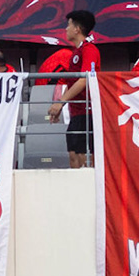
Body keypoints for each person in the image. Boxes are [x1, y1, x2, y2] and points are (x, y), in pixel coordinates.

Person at [43, 9, 101, 169]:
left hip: (87, 111)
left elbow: (85, 80)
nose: (66, 29)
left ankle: (89, 192)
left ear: (77, 29)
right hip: (77, 111)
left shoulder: (89, 50)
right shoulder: (77, 52)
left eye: (68, 25)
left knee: (82, 158)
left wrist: (60, 102)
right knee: (74, 155)